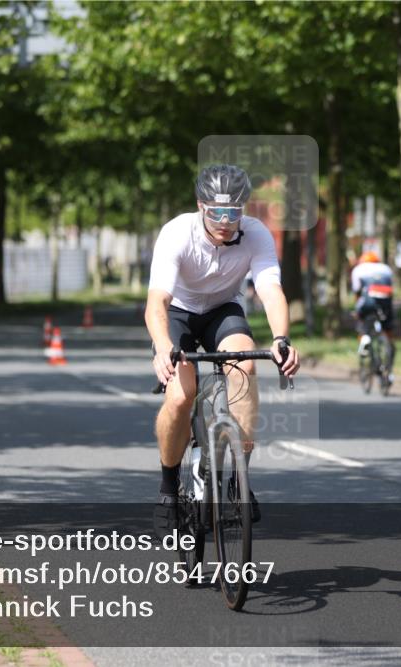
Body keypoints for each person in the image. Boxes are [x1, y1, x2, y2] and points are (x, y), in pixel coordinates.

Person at [146, 164, 300, 536]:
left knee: (245, 367)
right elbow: (157, 303)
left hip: (222, 311)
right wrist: (164, 347)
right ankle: (169, 487)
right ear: (200, 205)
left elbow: (270, 292)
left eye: (234, 212)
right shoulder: (176, 234)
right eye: (216, 212)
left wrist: (281, 339)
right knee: (182, 397)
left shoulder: (256, 235)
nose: (225, 221)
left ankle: (238, 479)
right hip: (180, 313)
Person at [351, 251, 396, 383]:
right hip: (385, 302)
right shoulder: (386, 268)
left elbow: (357, 292)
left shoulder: (358, 269)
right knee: (387, 329)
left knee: (361, 314)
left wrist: (357, 311)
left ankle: (364, 337)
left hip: (368, 300)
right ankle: (388, 359)